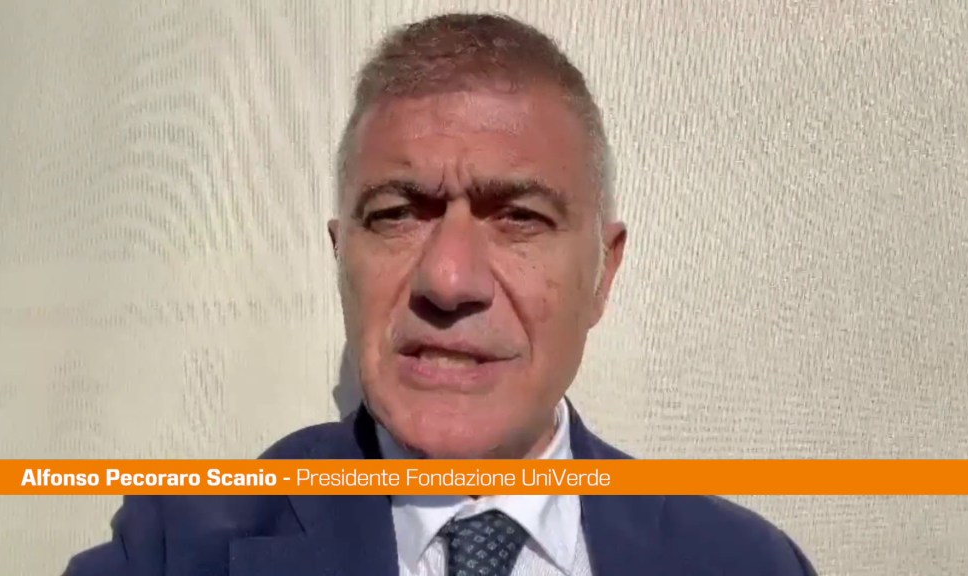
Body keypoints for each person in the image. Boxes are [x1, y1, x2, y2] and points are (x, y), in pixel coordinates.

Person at [65, 12, 817, 576]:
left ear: (603, 274)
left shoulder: (745, 563)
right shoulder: (176, 549)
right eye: (397, 214)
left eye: (520, 217)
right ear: (342, 258)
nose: (448, 281)